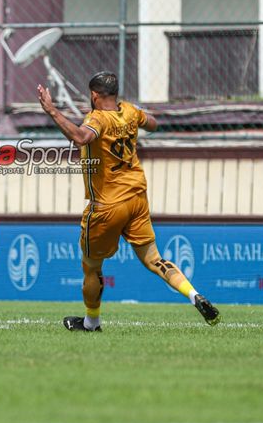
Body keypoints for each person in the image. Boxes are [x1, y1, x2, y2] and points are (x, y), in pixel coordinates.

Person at [37, 71, 220, 331]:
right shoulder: (130, 111)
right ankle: (193, 295)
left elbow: (81, 137)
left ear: (94, 95)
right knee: (154, 259)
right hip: (136, 198)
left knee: (91, 266)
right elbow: (153, 124)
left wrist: (52, 110)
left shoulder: (97, 118)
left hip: (107, 205)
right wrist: (134, 118)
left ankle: (91, 322)